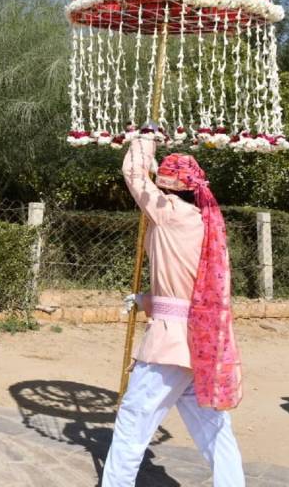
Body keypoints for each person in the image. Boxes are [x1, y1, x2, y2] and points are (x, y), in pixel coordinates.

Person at [102, 132, 244, 486]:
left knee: (134, 419)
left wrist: (145, 139)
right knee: (213, 429)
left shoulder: (169, 213)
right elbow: (185, 288)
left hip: (170, 343)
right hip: (202, 341)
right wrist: (146, 299)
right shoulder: (207, 223)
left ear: (167, 186)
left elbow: (134, 175)